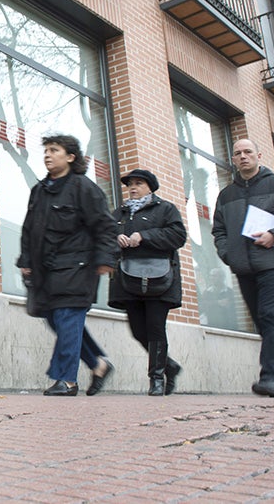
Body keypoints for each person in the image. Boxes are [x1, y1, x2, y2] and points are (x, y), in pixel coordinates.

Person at [18, 135, 119, 396]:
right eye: (46, 151)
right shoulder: (39, 190)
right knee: (57, 321)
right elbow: (28, 229)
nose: (48, 155)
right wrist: (26, 261)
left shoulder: (84, 188)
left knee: (66, 318)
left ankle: (66, 380)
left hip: (78, 266)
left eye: (55, 150)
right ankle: (98, 364)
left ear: (71, 157)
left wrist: (106, 259)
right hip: (46, 270)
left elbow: (106, 226)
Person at [211, 139, 274, 397]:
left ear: (259, 155)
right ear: (233, 159)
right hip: (243, 268)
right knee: (263, 322)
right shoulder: (226, 195)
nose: (243, 156)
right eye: (238, 153)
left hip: (273, 264)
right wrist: (228, 254)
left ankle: (270, 378)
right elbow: (219, 231)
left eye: (248, 152)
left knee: (270, 316)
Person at [108, 169, 187, 396]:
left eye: (138, 183)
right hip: (128, 278)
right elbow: (103, 238)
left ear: (150, 187)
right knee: (137, 330)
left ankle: (156, 379)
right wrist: (116, 238)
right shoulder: (119, 213)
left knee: (155, 328)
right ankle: (170, 366)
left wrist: (145, 236)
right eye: (130, 184)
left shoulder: (165, 209)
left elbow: (177, 236)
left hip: (159, 278)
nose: (133, 187)